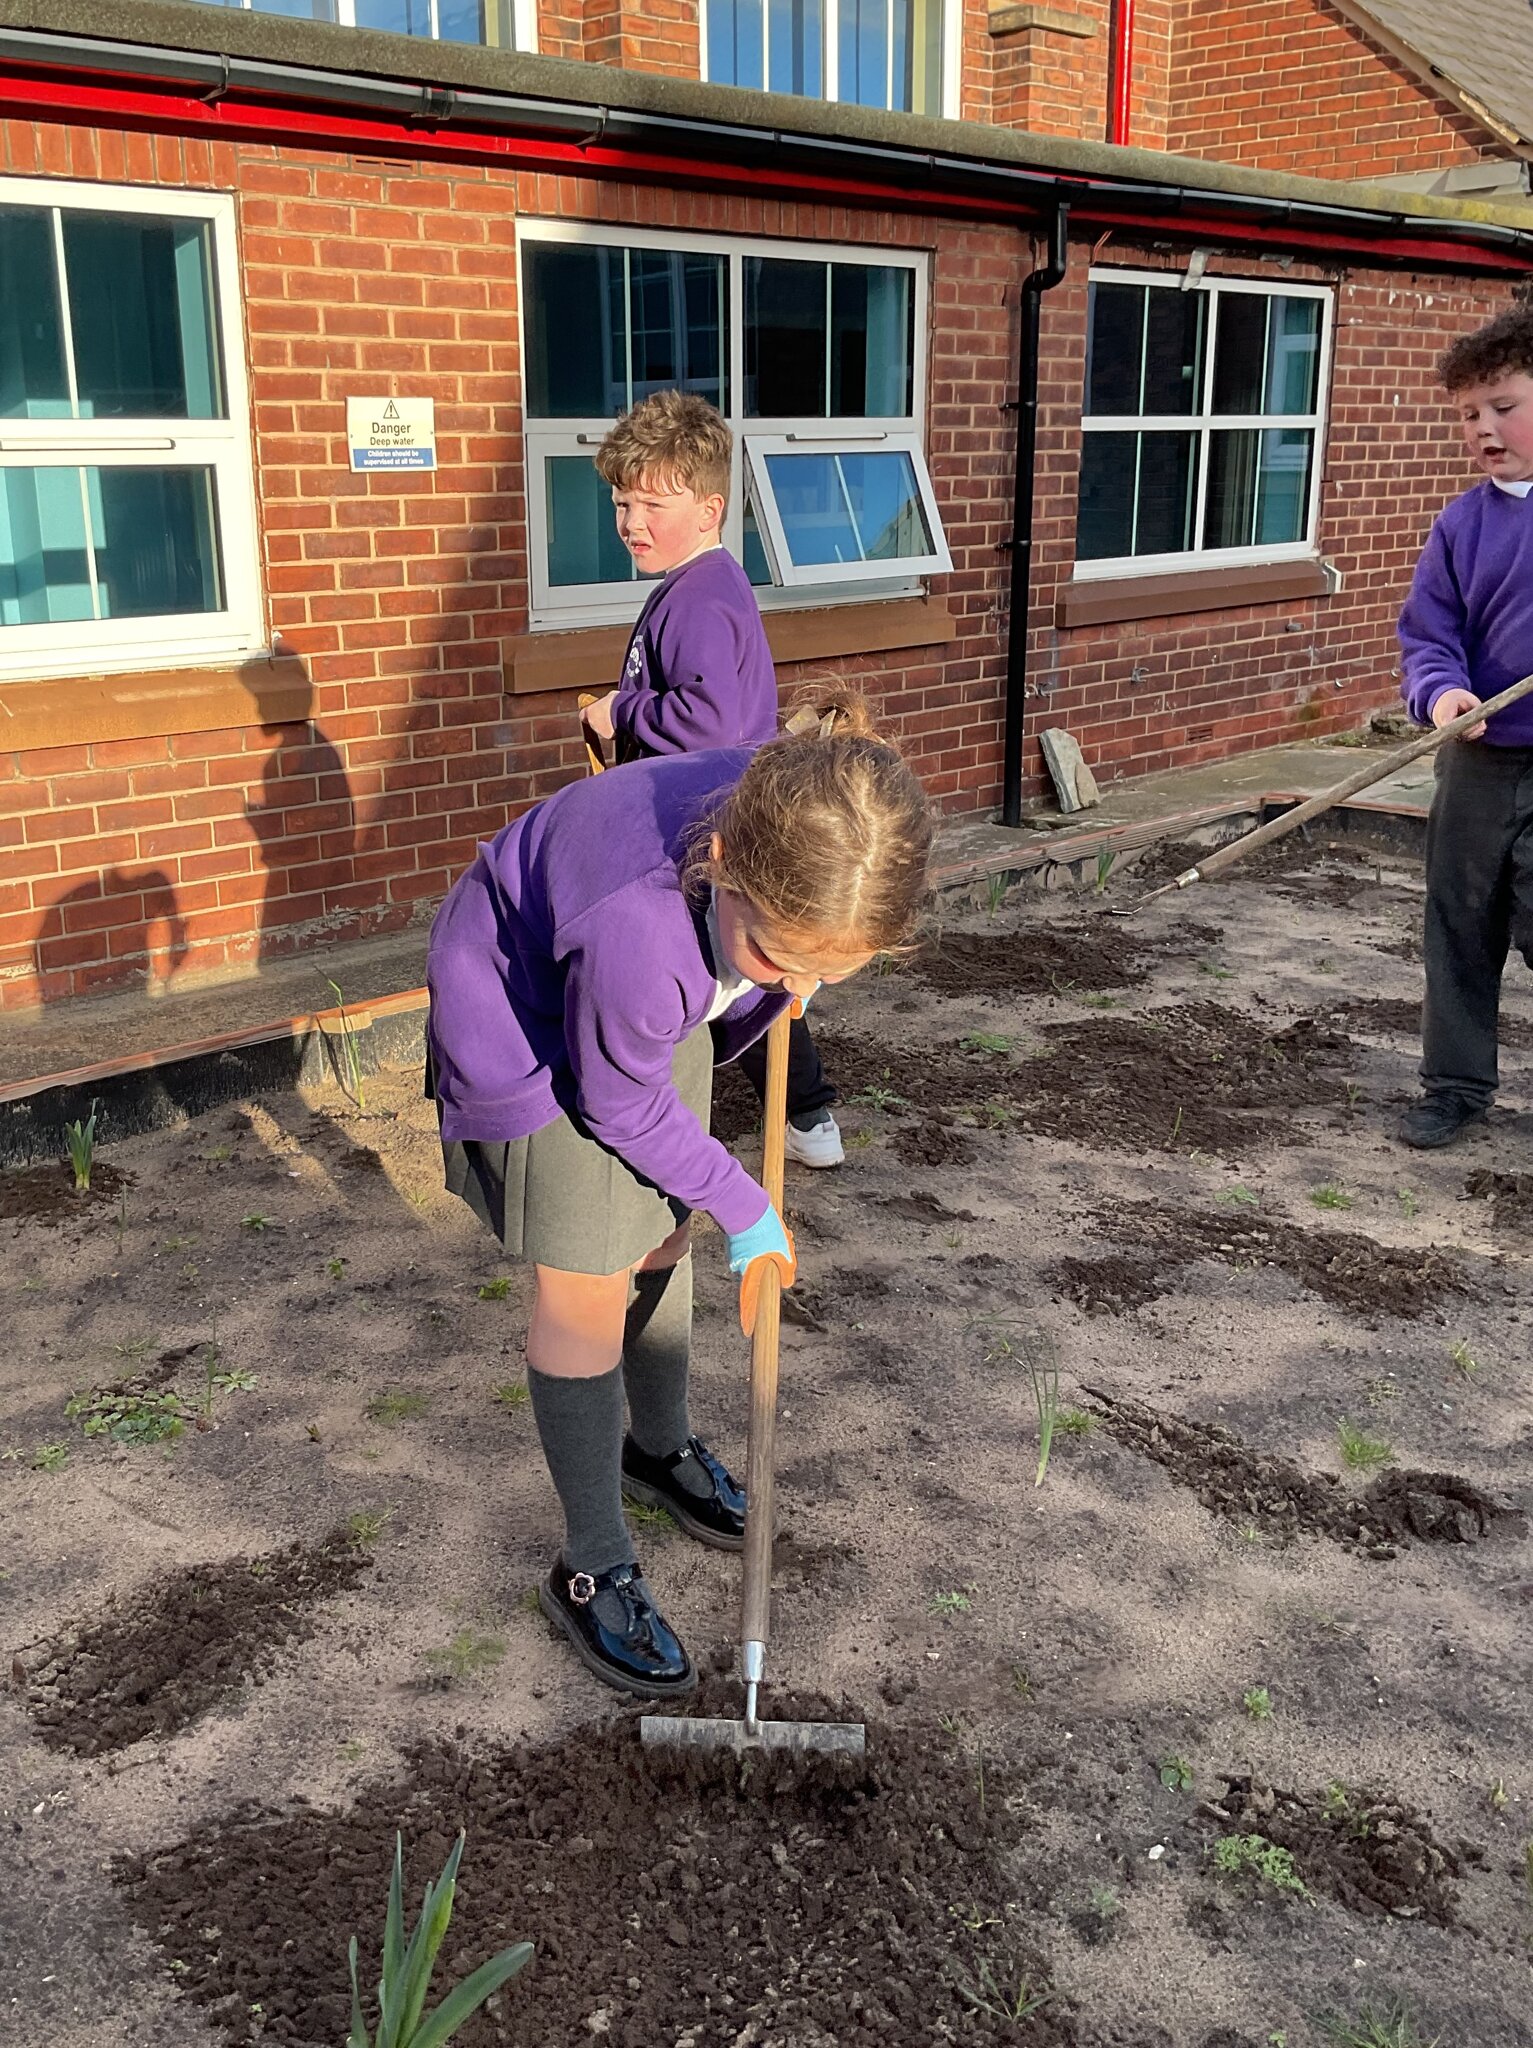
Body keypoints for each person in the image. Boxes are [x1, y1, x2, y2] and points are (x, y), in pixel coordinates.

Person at [425, 702, 932, 1698]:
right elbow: (620, 1101)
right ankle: (590, 1562)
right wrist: (750, 1202)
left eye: (833, 968)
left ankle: (653, 1446)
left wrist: (785, 978)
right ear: (722, 859)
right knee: (587, 1281)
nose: (802, 986)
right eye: (782, 957)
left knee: (662, 1223)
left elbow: (715, 1024)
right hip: (527, 1016)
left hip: (651, 1009)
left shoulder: (806, 812)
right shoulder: (639, 927)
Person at [580, 388, 846, 1170]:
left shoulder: (697, 596)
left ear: (709, 507)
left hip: (702, 821)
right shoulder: (696, 585)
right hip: (708, 812)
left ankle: (778, 1113)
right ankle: (805, 1114)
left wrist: (619, 712)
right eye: (621, 502)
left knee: (724, 969)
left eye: (652, 503)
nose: (631, 522)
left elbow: (709, 717)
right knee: (742, 966)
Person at [1396, 305, 1533, 1149]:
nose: (1484, 429)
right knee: (1458, 921)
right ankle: (1453, 1085)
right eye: (1468, 415)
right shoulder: (1462, 523)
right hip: (1480, 763)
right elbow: (1428, 633)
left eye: (1505, 406)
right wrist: (1441, 695)